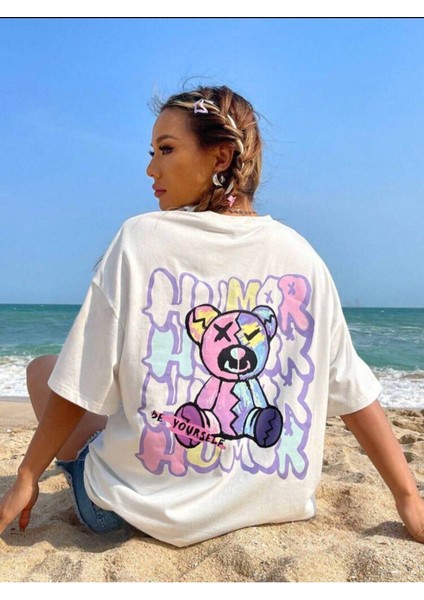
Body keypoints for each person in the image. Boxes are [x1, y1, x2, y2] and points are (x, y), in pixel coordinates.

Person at [0, 85, 423, 547]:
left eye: (166, 149)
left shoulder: (139, 239)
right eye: (152, 152)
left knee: (44, 368)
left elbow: (79, 381)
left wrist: (27, 474)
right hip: (265, 513)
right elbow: (353, 391)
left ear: (220, 157)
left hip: (128, 513)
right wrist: (407, 496)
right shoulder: (303, 257)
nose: (151, 169)